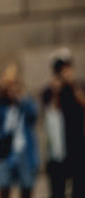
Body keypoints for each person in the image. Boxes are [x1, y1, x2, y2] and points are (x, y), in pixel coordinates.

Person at [0, 64, 39, 198]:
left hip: (25, 152)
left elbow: (34, 113)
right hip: (5, 153)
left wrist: (20, 95)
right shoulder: (0, 105)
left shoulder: (24, 104)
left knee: (27, 187)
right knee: (3, 187)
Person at [41, 48, 85, 198]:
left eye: (66, 67)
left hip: (78, 148)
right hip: (58, 151)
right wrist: (56, 91)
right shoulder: (49, 91)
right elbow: (49, 113)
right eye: (59, 69)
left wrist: (72, 84)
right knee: (57, 191)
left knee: (80, 190)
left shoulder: (80, 87)